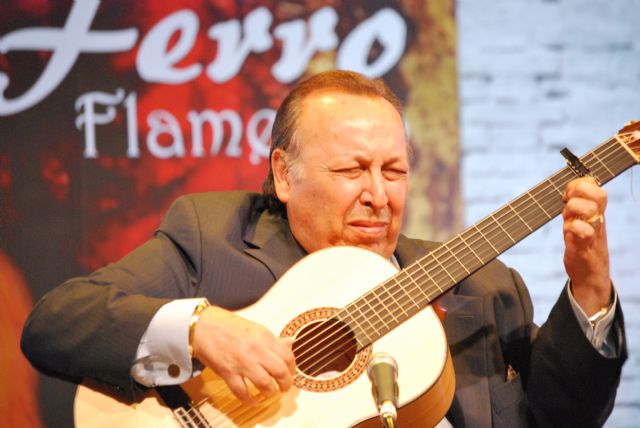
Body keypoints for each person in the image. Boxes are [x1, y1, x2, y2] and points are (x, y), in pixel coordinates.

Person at [21, 70, 626, 427]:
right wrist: (197, 329)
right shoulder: (213, 234)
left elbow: (564, 422)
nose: (377, 195)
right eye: (351, 169)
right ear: (284, 175)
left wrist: (591, 289)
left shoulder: (489, 288)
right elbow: (55, 322)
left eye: (394, 170)